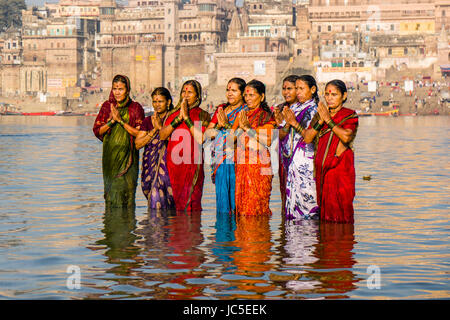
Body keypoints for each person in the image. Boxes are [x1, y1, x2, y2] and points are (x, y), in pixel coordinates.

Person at [302, 79, 358, 223]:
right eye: (327, 94)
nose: (329, 98)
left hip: (339, 170)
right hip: (322, 171)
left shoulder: (349, 115)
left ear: (344, 96)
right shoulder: (320, 115)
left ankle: (342, 243)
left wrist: (329, 120)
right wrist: (321, 120)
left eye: (334, 94)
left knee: (341, 212)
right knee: (325, 214)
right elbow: (307, 138)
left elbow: (346, 136)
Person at [93, 74, 145, 208]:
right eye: (115, 88)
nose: (117, 92)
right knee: (111, 197)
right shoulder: (107, 106)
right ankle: (110, 226)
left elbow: (139, 133)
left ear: (127, 90)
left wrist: (121, 121)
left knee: (127, 196)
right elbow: (97, 131)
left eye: (120, 89)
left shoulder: (135, 108)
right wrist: (111, 122)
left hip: (129, 159)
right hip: (110, 160)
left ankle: (128, 226)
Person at [159, 80, 211, 212]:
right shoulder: (172, 115)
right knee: (174, 206)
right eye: (184, 92)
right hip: (173, 167)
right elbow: (163, 136)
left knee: (192, 205)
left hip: (193, 167)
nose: (186, 95)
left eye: (190, 92)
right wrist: (177, 120)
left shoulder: (203, 115)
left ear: (197, 96)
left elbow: (201, 138)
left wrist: (187, 118)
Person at [278, 75, 319, 220]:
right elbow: (281, 134)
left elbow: (309, 137)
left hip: (306, 166)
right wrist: (287, 123)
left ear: (312, 89)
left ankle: (309, 239)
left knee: (307, 208)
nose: (298, 92)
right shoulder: (293, 108)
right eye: (297, 89)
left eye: (301, 89)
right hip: (292, 164)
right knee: (292, 207)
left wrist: (293, 123)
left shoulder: (314, 110)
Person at [233, 79, 276, 216]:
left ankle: (259, 236)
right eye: (245, 95)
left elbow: (267, 140)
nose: (248, 99)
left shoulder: (267, 116)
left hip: (259, 167)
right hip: (241, 166)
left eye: (251, 95)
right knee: (242, 208)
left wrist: (247, 128)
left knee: (256, 206)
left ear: (262, 96)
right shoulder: (242, 115)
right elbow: (231, 139)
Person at [205, 78, 247, 214]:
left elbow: (237, 136)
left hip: (237, 160)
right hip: (220, 159)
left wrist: (225, 126)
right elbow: (207, 133)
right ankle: (223, 232)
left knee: (236, 198)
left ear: (242, 93)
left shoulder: (245, 111)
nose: (230, 93)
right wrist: (219, 125)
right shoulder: (221, 109)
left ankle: (236, 232)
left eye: (234, 91)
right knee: (222, 198)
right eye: (228, 90)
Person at [135, 87, 175, 211]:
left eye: (160, 101)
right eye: (154, 102)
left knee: (162, 200)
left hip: (169, 168)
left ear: (168, 102)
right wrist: (154, 130)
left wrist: (163, 129)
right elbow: (137, 144)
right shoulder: (148, 121)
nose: (157, 105)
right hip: (150, 168)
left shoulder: (174, 119)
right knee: (154, 196)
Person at [273, 75, 300, 212]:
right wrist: (281, 125)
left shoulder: (305, 108)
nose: (286, 92)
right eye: (284, 89)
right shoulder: (280, 109)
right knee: (285, 195)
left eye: (290, 88)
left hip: (301, 159)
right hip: (284, 157)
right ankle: (285, 227)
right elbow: (274, 137)